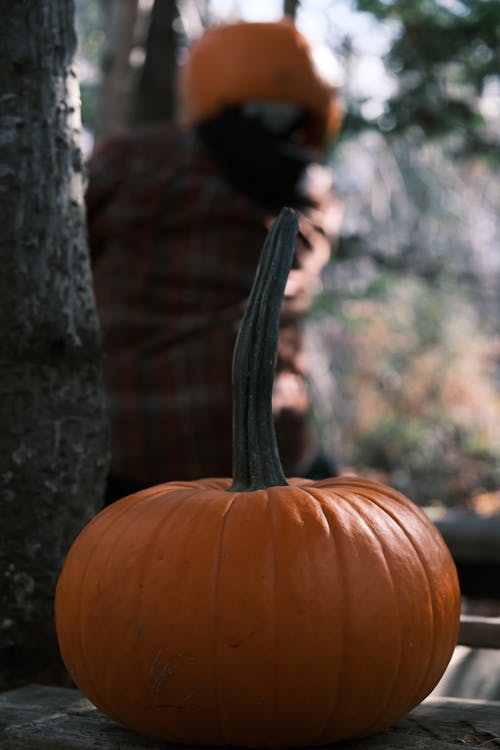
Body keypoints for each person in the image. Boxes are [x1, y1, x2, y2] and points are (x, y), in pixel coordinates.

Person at [86, 17, 344, 504]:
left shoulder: (133, 160)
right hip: (269, 453)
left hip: (131, 449)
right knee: (335, 500)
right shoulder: (315, 199)